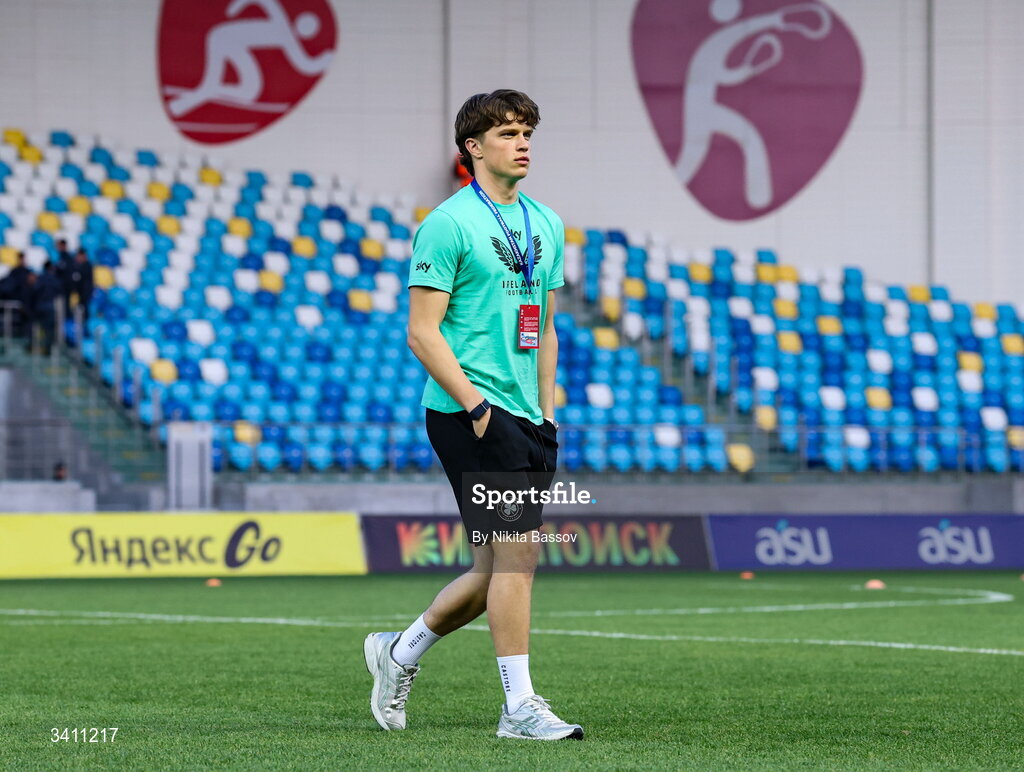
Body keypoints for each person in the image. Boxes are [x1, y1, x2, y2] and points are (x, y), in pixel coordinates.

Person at [363, 90, 581, 741]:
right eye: (509, 133)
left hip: (526, 416)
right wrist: (480, 408)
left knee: (492, 571)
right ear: (473, 148)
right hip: (468, 412)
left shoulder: (545, 223)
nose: (523, 143)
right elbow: (422, 332)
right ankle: (519, 709)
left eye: (527, 132)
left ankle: (397, 653)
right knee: (519, 560)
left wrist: (546, 410)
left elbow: (543, 326)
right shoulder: (447, 224)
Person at [68, 248, 94, 326]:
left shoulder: (87, 267)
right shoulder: (73, 266)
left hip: (84, 297)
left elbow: (87, 284)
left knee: (84, 315)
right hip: (74, 296)